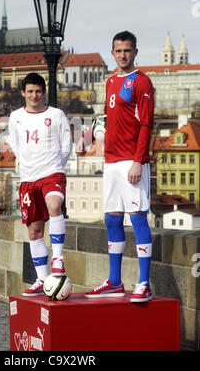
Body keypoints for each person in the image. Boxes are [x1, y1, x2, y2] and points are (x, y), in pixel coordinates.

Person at [83, 31, 155, 303]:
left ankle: (144, 283)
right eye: (118, 50)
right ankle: (114, 281)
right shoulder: (111, 81)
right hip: (111, 161)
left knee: (137, 218)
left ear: (135, 52)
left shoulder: (142, 81)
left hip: (131, 161)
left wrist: (138, 160)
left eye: (127, 50)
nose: (122, 55)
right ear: (112, 53)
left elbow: (147, 124)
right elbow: (105, 117)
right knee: (112, 219)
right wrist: (88, 136)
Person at [8, 72, 72, 296]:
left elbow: (66, 145)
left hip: (51, 172)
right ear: (23, 93)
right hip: (28, 178)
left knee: (55, 206)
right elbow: (14, 144)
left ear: (43, 92)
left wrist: (54, 164)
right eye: (30, 91)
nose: (34, 95)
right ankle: (42, 279)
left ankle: (58, 259)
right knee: (34, 231)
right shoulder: (15, 117)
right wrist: (28, 163)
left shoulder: (57, 115)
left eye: (38, 91)